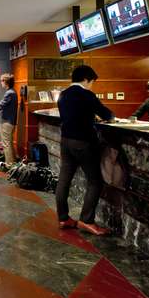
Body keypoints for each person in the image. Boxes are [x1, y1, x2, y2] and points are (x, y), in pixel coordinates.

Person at [56, 65, 114, 236]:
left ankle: (63, 217)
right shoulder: (86, 94)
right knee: (95, 181)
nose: (92, 86)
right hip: (83, 142)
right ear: (86, 79)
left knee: (64, 180)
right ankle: (87, 220)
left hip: (65, 141)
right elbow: (106, 114)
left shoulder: (63, 94)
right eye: (92, 82)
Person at [0, 74, 18, 166]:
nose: (1, 83)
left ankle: (9, 164)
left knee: (6, 143)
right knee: (9, 142)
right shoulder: (13, 92)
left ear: (6, 82)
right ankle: (12, 162)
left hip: (7, 122)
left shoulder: (9, 93)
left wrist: (0, 105)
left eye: (2, 81)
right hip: (11, 122)